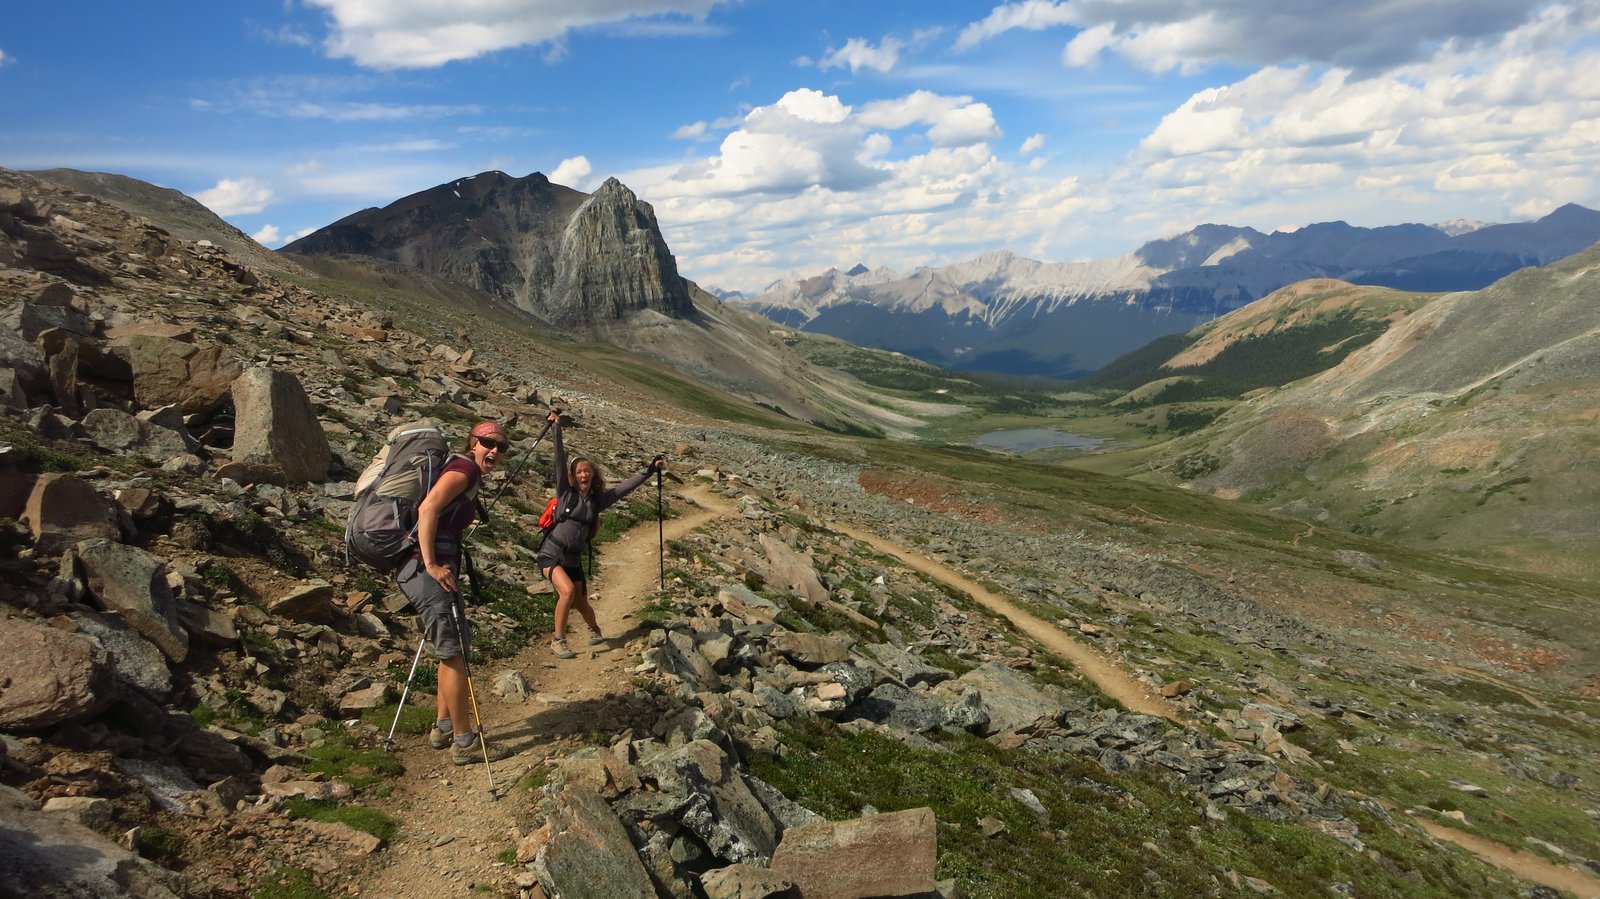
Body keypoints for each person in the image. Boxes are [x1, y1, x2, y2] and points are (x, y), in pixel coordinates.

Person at [397, 420, 512, 764]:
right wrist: (431, 563)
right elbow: (428, 508)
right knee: (455, 651)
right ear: (472, 443)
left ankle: (444, 725)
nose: (494, 451)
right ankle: (465, 742)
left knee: (449, 647)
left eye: (501, 447)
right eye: (488, 443)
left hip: (424, 568)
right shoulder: (464, 470)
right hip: (427, 568)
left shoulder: (461, 471)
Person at [539, 410, 664, 659]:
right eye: (579, 472)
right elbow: (558, 461)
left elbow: (624, 488)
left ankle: (595, 629)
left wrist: (649, 470)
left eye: (587, 470)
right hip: (551, 552)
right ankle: (558, 641)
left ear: (593, 473)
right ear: (573, 476)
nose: (583, 474)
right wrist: (556, 430)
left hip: (573, 558)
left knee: (582, 603)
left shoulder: (598, 500)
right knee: (567, 592)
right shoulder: (566, 493)